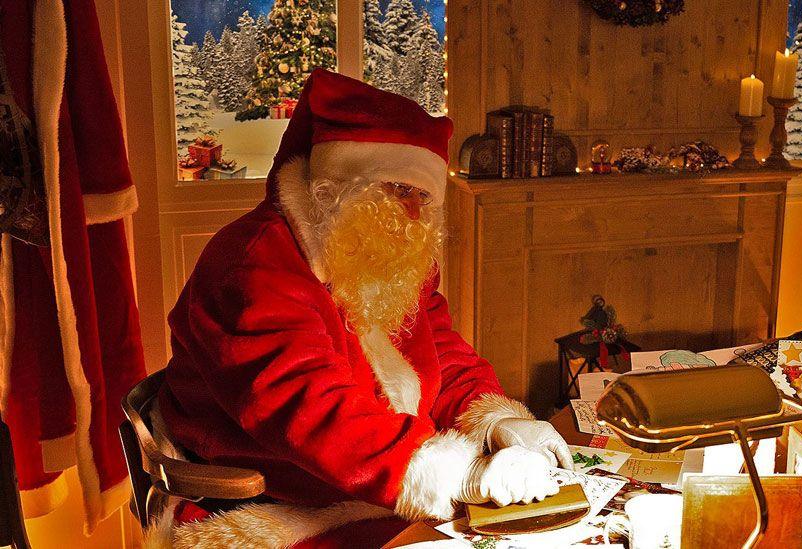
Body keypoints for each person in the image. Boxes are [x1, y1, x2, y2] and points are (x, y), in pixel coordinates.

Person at [154, 69, 573, 548]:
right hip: (278, 503)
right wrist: (462, 475)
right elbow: (309, 409)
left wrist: (500, 421)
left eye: (423, 195)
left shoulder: (382, 250)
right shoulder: (253, 265)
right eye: (397, 189)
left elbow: (443, 354)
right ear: (338, 185)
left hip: (372, 482)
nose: (413, 213)